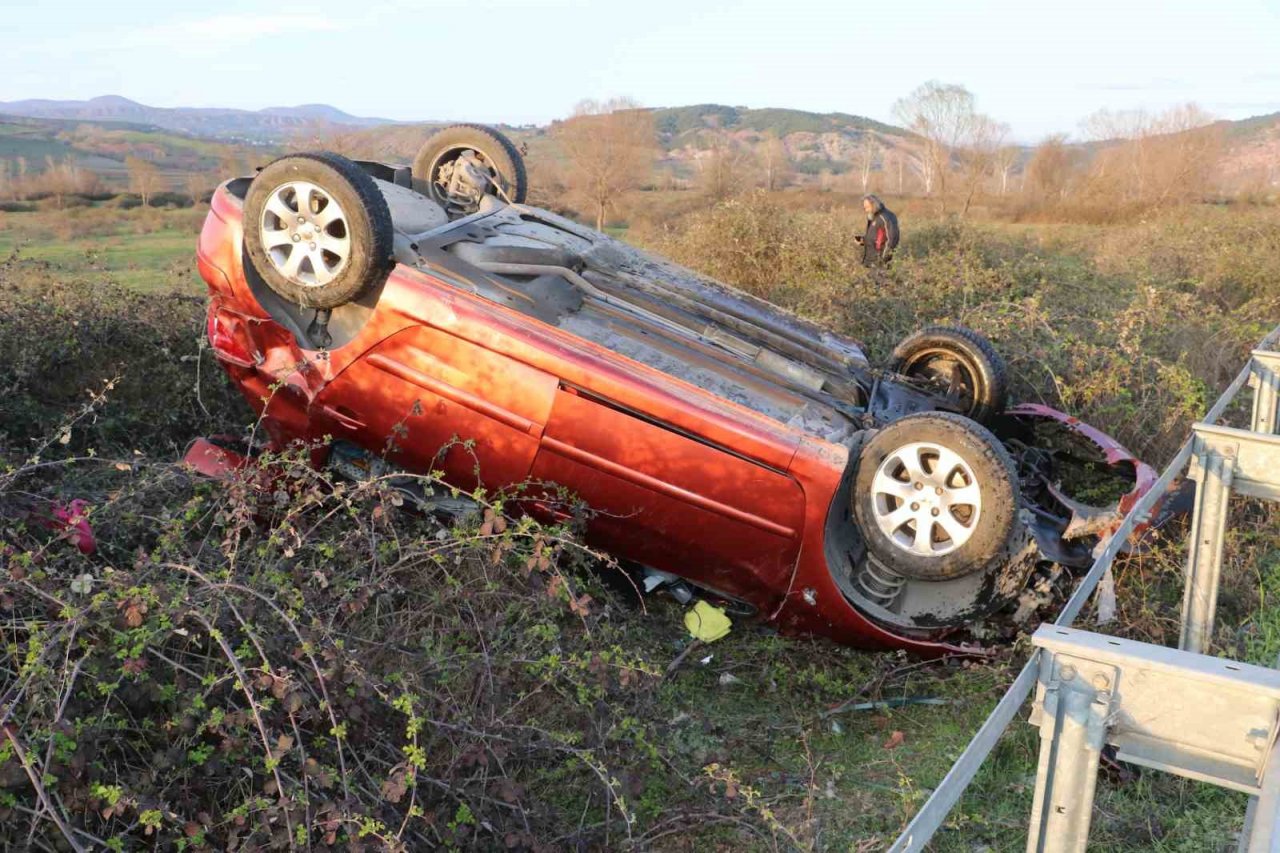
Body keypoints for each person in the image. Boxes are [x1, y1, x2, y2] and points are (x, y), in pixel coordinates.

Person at [855, 194, 899, 266]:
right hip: (870, 260)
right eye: (864, 207)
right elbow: (875, 237)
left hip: (879, 262)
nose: (865, 209)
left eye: (867, 207)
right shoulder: (873, 216)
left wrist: (883, 259)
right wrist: (862, 240)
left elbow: (892, 240)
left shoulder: (885, 217)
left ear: (874, 204)